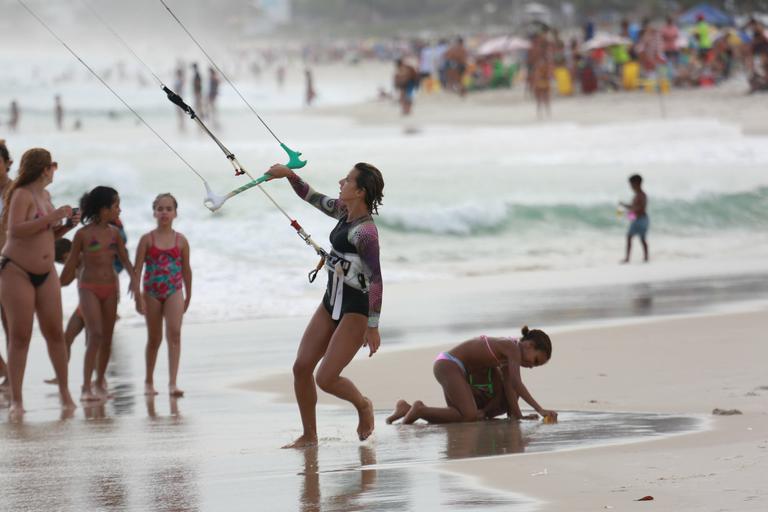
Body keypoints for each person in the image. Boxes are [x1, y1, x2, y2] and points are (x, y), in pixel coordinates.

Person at [267, 161, 384, 448]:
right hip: (330, 301)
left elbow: (377, 280)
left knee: (327, 378)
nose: (341, 181)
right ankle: (309, 436)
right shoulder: (343, 212)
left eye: (348, 180)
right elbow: (311, 196)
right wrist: (289, 175)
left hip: (356, 309)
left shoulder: (366, 233)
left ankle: (363, 405)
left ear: (360, 191)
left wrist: (373, 325)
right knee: (301, 367)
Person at [0, 148, 78, 418]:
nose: (54, 170)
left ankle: (65, 393)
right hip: (17, 270)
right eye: (52, 165)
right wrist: (52, 217)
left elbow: (46, 233)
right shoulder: (21, 194)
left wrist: (66, 225)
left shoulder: (45, 196)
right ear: (43, 168)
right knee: (20, 336)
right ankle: (17, 400)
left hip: (46, 272)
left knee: (54, 333)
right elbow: (16, 230)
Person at [386, 327, 556, 425]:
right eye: (535, 360)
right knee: (469, 415)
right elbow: (517, 383)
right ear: (529, 345)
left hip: (452, 368)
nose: (531, 366)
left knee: (458, 415)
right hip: (449, 365)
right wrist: (539, 409)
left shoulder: (509, 351)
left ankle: (405, 408)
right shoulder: (512, 348)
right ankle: (418, 410)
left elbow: (510, 387)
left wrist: (517, 416)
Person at [60, 186, 137, 401]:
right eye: (115, 206)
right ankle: (86, 387)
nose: (119, 210)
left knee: (107, 338)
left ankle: (99, 382)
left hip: (111, 289)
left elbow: (124, 259)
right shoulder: (83, 235)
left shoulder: (114, 233)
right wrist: (56, 283)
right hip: (88, 289)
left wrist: (135, 281)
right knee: (95, 336)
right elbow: (72, 262)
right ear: (103, 209)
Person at [133, 193, 191, 397]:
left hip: (174, 290)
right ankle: (149, 381)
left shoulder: (181, 240)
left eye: (168, 209)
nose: (164, 212)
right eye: (160, 209)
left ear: (175, 213)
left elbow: (186, 270)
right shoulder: (147, 239)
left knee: (174, 334)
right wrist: (137, 295)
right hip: (151, 291)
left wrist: (188, 295)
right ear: (154, 212)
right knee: (154, 338)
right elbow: (138, 268)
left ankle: (173, 383)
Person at [0, 140, 12, 389]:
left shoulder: (17, 192)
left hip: (11, 263)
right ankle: (5, 370)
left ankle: (12, 376)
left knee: (11, 323)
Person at [620, 174, 649, 263]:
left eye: (631, 184)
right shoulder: (636, 195)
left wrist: (631, 212)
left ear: (637, 183)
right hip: (637, 219)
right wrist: (624, 205)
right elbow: (633, 207)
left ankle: (629, 258)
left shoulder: (642, 195)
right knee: (641, 239)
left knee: (632, 237)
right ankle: (645, 257)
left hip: (641, 220)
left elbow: (641, 208)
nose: (630, 186)